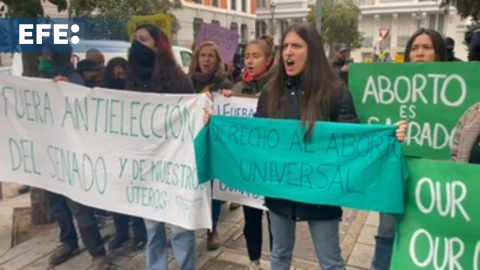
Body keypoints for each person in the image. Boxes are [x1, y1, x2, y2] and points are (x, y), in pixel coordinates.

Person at [205, 22, 407, 270]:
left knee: (330, 262)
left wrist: (390, 136)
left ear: (312, 51)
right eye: (285, 46)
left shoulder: (335, 92)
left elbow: (352, 142)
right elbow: (253, 137)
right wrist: (213, 124)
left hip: (322, 195)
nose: (288, 52)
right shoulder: (271, 92)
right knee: (279, 254)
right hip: (279, 192)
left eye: (296, 46)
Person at [370, 28, 446, 270]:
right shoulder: (393, 86)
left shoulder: (453, 86)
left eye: (426, 47)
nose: (420, 53)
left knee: (428, 231)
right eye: (414, 48)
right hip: (395, 173)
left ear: (438, 53)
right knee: (387, 231)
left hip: (435, 175)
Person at [126, 24, 196, 270]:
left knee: (180, 228)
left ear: (159, 44)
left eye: (143, 39)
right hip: (147, 168)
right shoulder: (130, 79)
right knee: (153, 228)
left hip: (175, 166)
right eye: (135, 39)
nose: (137, 45)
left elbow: (192, 118)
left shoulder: (178, 80)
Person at [41, 39, 111, 270]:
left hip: (73, 158)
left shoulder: (74, 80)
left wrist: (67, 88)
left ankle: (97, 253)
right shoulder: (41, 81)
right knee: (57, 205)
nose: (43, 59)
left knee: (81, 209)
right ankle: (68, 242)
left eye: (48, 56)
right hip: (50, 155)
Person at [221, 35, 276, 270]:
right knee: (251, 217)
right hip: (250, 170)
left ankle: (278, 261)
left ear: (269, 60)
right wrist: (224, 103)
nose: (250, 61)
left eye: (256, 56)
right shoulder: (237, 89)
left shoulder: (281, 88)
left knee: (277, 221)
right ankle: (254, 261)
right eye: (247, 56)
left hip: (274, 169)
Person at [188, 40, 235, 251]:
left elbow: (231, 112)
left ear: (217, 60)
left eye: (211, 56)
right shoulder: (186, 83)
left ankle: (211, 229)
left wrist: (229, 98)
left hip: (214, 144)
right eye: (202, 55)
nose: (206, 60)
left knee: (211, 189)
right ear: (196, 59)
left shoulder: (224, 85)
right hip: (190, 141)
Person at [99, 57, 147, 252]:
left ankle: (140, 235)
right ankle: (121, 234)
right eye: (114, 75)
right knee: (117, 196)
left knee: (133, 195)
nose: (118, 78)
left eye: (122, 74)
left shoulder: (135, 93)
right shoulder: (103, 95)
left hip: (133, 152)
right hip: (113, 152)